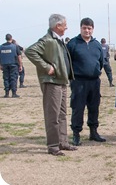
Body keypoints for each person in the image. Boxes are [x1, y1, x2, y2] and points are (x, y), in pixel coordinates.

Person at [25, 14, 77, 156]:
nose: (66, 27)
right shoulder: (48, 40)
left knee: (62, 114)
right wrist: (46, 67)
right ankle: (53, 145)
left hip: (61, 81)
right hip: (52, 82)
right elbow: (30, 51)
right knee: (52, 115)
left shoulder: (58, 40)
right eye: (64, 24)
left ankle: (63, 142)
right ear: (57, 26)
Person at [67, 17, 106, 146]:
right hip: (79, 82)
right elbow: (67, 63)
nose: (87, 30)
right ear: (80, 28)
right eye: (84, 28)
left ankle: (93, 132)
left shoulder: (97, 45)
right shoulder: (73, 44)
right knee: (78, 108)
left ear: (93, 29)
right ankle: (76, 134)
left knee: (94, 107)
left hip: (94, 81)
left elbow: (100, 62)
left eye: (89, 28)